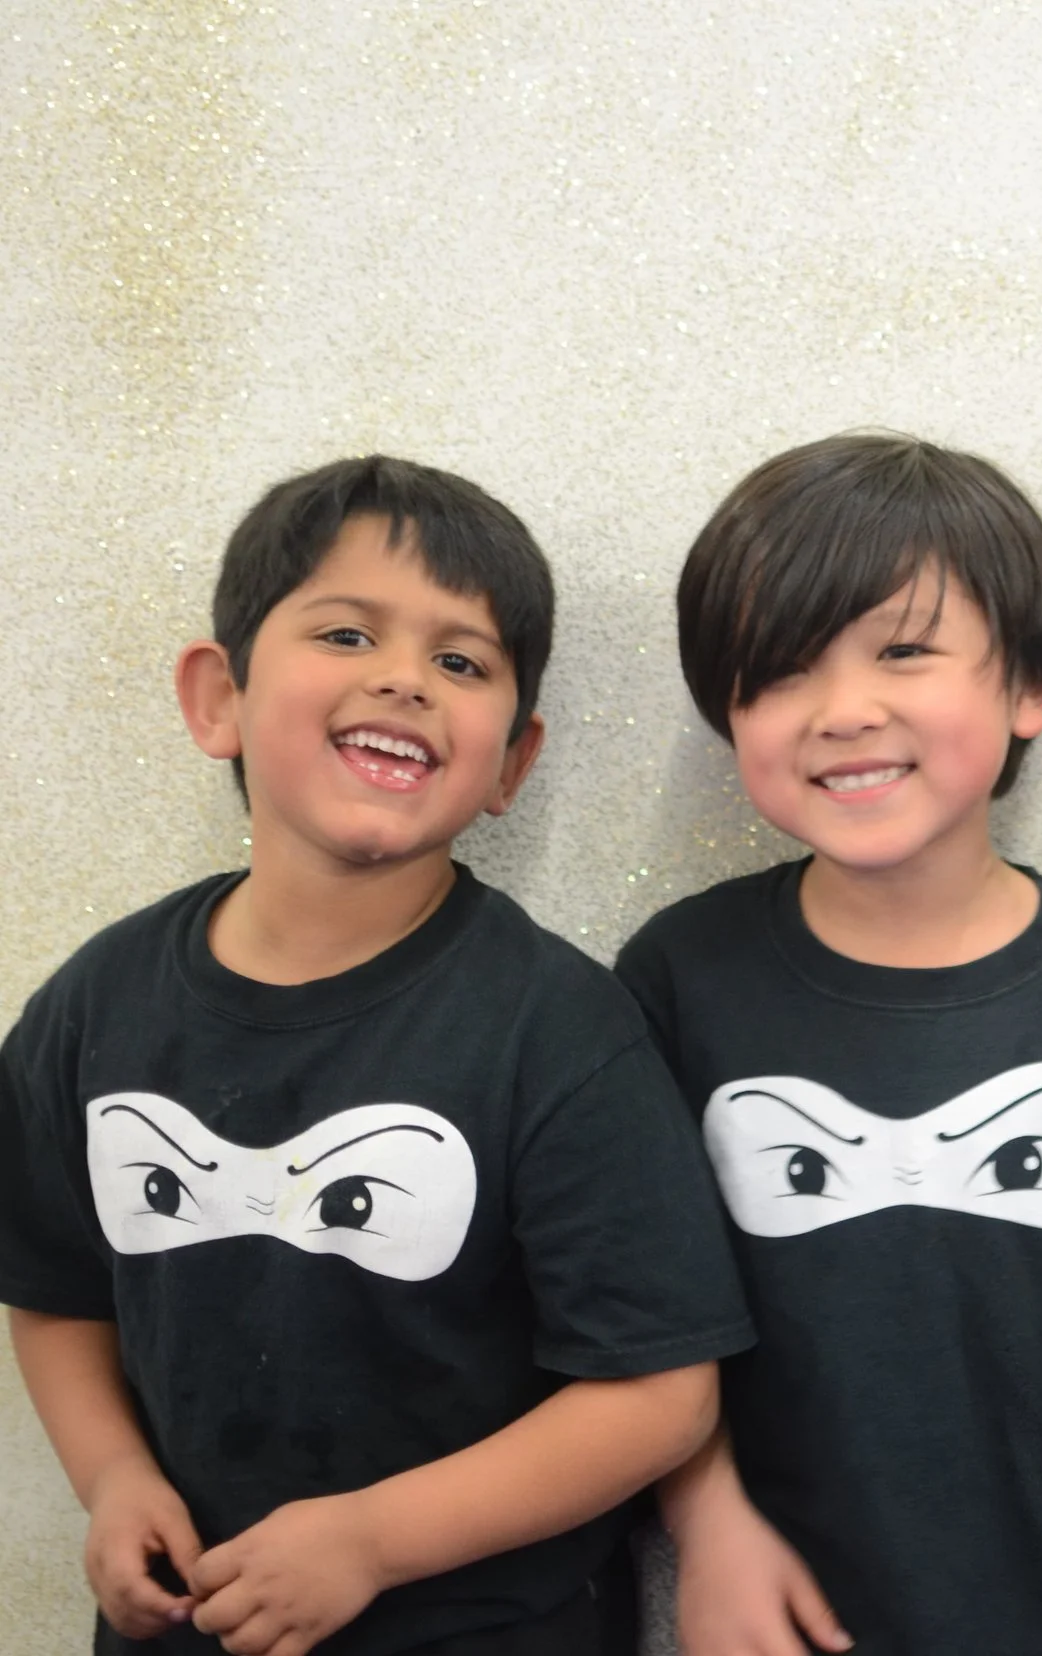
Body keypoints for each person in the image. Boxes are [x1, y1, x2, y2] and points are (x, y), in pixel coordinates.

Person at [0, 455, 753, 1656]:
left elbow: (659, 1396)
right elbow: (51, 1292)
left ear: (512, 761)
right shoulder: (94, 1006)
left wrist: (373, 1541)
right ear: (219, 697)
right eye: (347, 633)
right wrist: (113, 1477)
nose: (404, 679)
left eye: (462, 662)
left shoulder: (559, 1031)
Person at [615, 432, 1042, 1656]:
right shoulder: (681, 980)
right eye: (779, 672)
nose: (846, 711)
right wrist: (709, 1525)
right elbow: (649, 1327)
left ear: (1028, 685)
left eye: (903, 651)